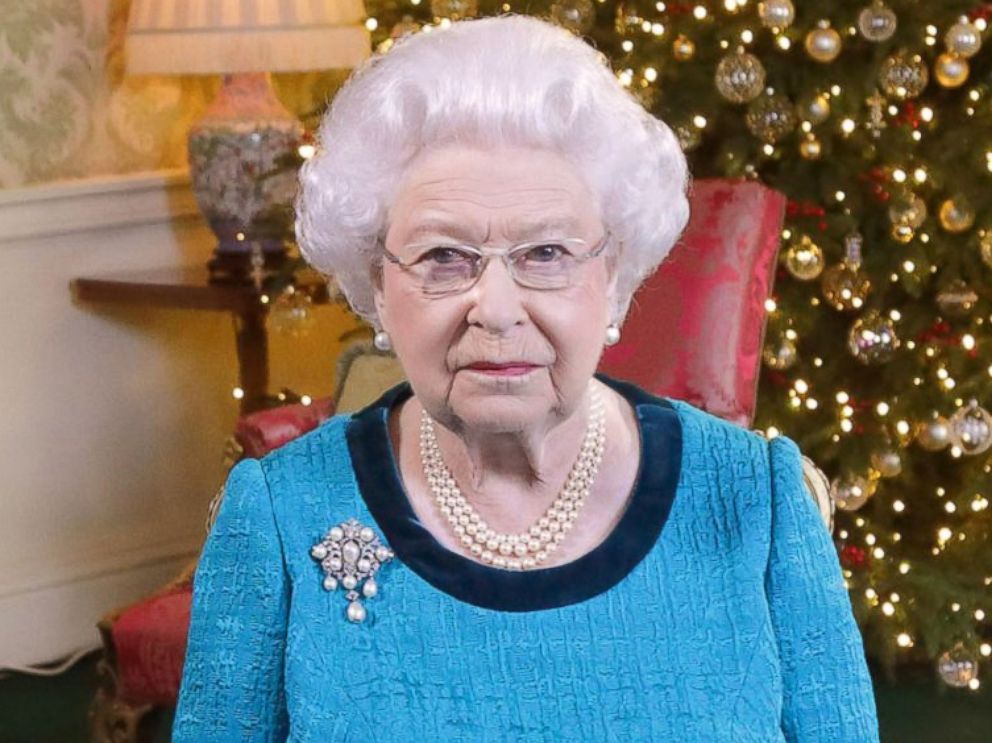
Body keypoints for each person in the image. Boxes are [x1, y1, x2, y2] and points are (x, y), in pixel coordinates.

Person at [173, 14, 879, 742]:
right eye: (444, 257)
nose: (497, 309)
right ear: (379, 286)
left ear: (614, 279)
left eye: (546, 252)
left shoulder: (752, 498)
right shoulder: (283, 514)